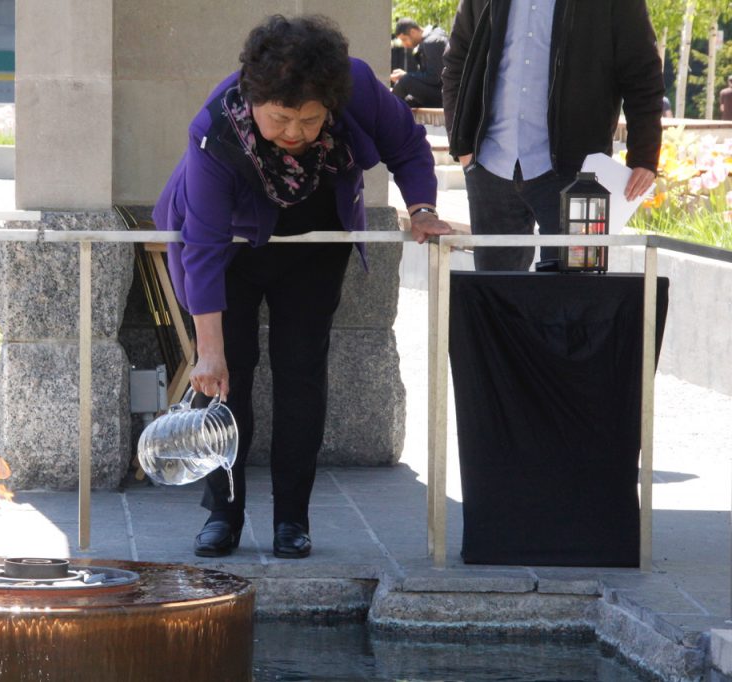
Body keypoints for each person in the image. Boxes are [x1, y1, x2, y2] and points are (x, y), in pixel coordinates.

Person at [153, 14, 450, 560]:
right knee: (225, 378)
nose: (294, 134)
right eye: (281, 119)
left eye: (311, 121)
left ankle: (293, 518)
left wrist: (423, 208)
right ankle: (224, 513)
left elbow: (407, 145)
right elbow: (203, 247)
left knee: (301, 371)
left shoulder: (357, 85)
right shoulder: (216, 126)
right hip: (228, 250)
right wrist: (209, 351)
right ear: (253, 97)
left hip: (315, 235)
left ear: (331, 105)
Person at [442, 0, 663, 271]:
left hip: (576, 172)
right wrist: (462, 143)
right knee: (495, 296)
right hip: (491, 166)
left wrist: (644, 156)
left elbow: (642, 70)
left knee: (574, 291)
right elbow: (456, 61)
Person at [389, 18, 448, 108]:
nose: (404, 45)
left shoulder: (431, 42)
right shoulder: (434, 36)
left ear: (413, 32)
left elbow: (435, 77)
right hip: (440, 92)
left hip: (444, 96)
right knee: (407, 101)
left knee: (405, 81)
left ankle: (385, 109)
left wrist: (406, 76)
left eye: (404, 39)